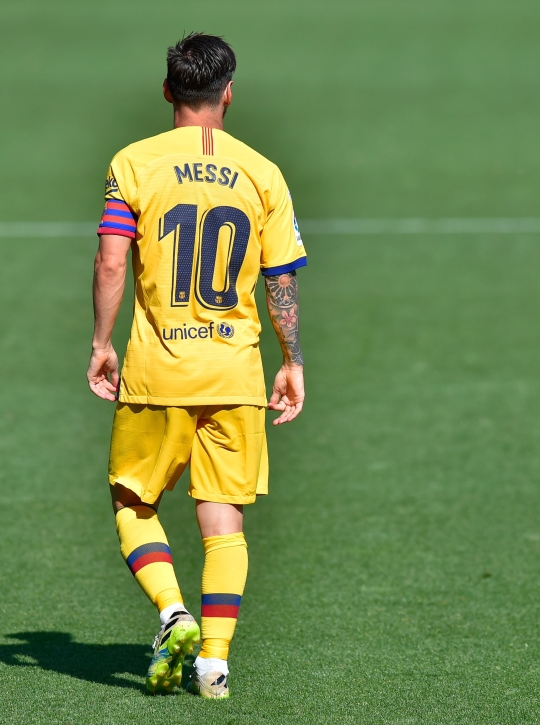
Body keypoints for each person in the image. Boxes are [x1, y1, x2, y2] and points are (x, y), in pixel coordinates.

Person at [86, 32, 306, 699]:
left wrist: (102, 341)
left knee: (133, 500)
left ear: (167, 91)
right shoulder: (263, 173)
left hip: (158, 370)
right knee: (224, 521)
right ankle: (214, 659)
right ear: (228, 92)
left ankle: (171, 609)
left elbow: (112, 260)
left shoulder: (133, 163)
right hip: (235, 373)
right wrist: (292, 359)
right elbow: (281, 283)